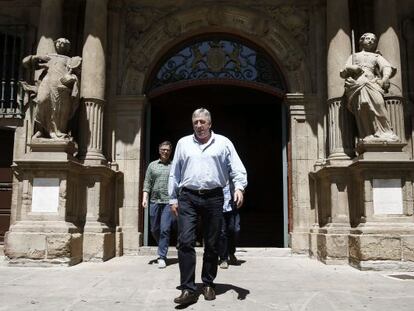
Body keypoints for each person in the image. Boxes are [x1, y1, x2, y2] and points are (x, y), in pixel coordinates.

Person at [169, 108, 247, 305]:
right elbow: (175, 172)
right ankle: (187, 288)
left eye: (203, 122)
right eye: (195, 122)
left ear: (210, 124)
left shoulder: (223, 142)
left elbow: (237, 168)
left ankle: (208, 283)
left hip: (214, 197)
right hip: (188, 196)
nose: (199, 125)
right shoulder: (183, 143)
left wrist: (239, 188)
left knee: (212, 243)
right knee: (185, 241)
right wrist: (172, 199)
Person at [340, 32, 399, 142]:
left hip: (372, 83)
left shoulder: (376, 56)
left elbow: (387, 67)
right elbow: (343, 72)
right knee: (362, 108)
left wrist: (385, 78)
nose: (371, 41)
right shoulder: (354, 56)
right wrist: (352, 68)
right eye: (368, 38)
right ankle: (367, 134)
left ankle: (386, 132)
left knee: (379, 105)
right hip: (357, 83)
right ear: (361, 41)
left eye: (373, 40)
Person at [22, 38, 82, 140]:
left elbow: (78, 73)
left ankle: (56, 132)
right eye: (59, 42)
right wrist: (36, 57)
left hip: (60, 86)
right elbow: (25, 63)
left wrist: (73, 78)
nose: (61, 44)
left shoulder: (70, 59)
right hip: (46, 83)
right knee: (41, 101)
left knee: (58, 109)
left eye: (64, 43)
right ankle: (41, 129)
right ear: (55, 44)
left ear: (68, 47)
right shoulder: (49, 57)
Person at [142, 141, 176, 269]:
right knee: (154, 229)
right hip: (154, 201)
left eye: (167, 150)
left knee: (165, 229)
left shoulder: (174, 166)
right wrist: (144, 197)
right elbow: (147, 183)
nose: (165, 152)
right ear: (159, 150)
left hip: (168, 202)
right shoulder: (152, 166)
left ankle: (162, 256)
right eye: (163, 149)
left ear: (170, 151)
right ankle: (162, 245)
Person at [218, 182, 241, 269]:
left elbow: (240, 180)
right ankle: (223, 258)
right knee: (222, 232)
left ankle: (231, 252)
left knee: (235, 230)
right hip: (220, 207)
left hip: (232, 206)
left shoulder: (233, 172)